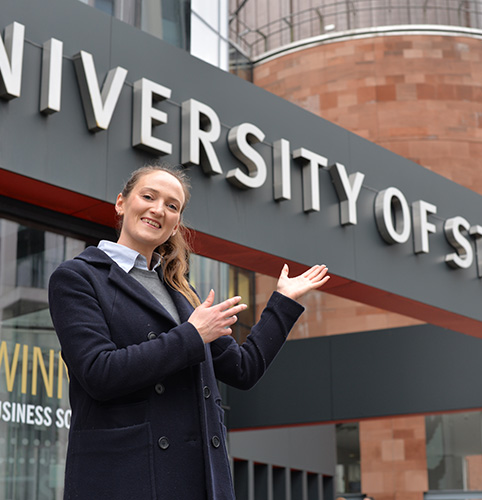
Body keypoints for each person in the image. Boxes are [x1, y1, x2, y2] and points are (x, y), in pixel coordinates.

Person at [48, 163, 330, 500]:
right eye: (148, 196)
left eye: (172, 206)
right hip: (128, 478)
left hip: (199, 479)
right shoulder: (79, 277)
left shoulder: (180, 292)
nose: (158, 210)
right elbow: (98, 372)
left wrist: (283, 301)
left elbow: (244, 368)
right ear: (121, 203)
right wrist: (192, 335)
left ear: (175, 223)